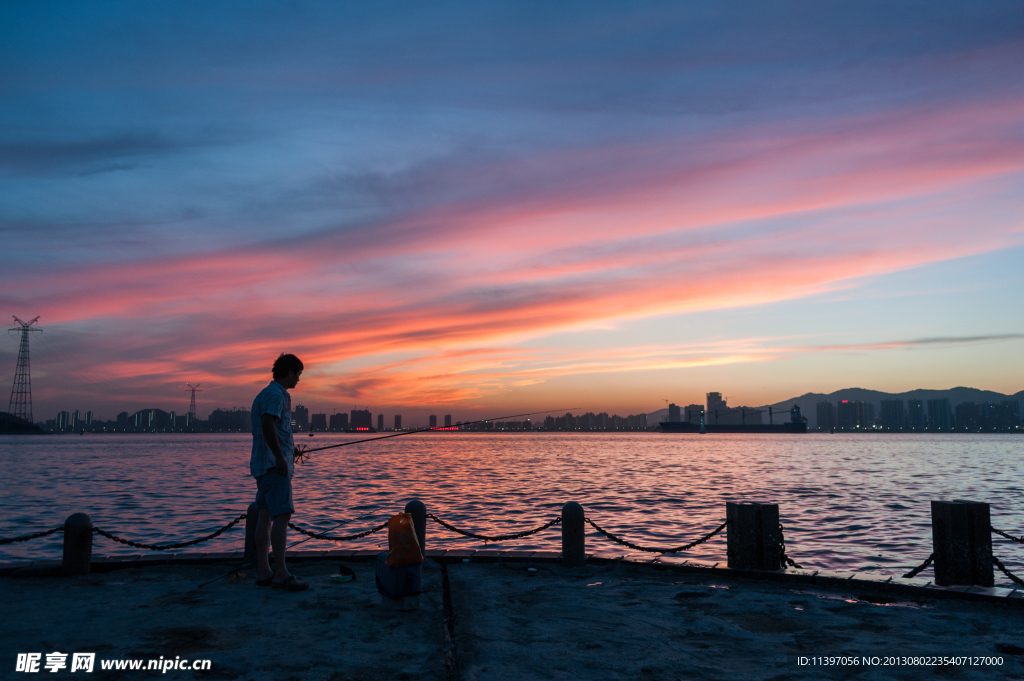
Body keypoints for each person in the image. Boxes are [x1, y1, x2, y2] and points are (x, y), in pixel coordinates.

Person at [251, 353, 308, 591]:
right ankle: (281, 573)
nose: (299, 380)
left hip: (263, 465)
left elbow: (275, 430)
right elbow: (267, 423)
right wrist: (279, 457)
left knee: (265, 517)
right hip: (275, 466)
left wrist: (287, 450)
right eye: (299, 374)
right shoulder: (276, 395)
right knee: (282, 517)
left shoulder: (264, 394)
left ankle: (264, 571)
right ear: (291, 372)